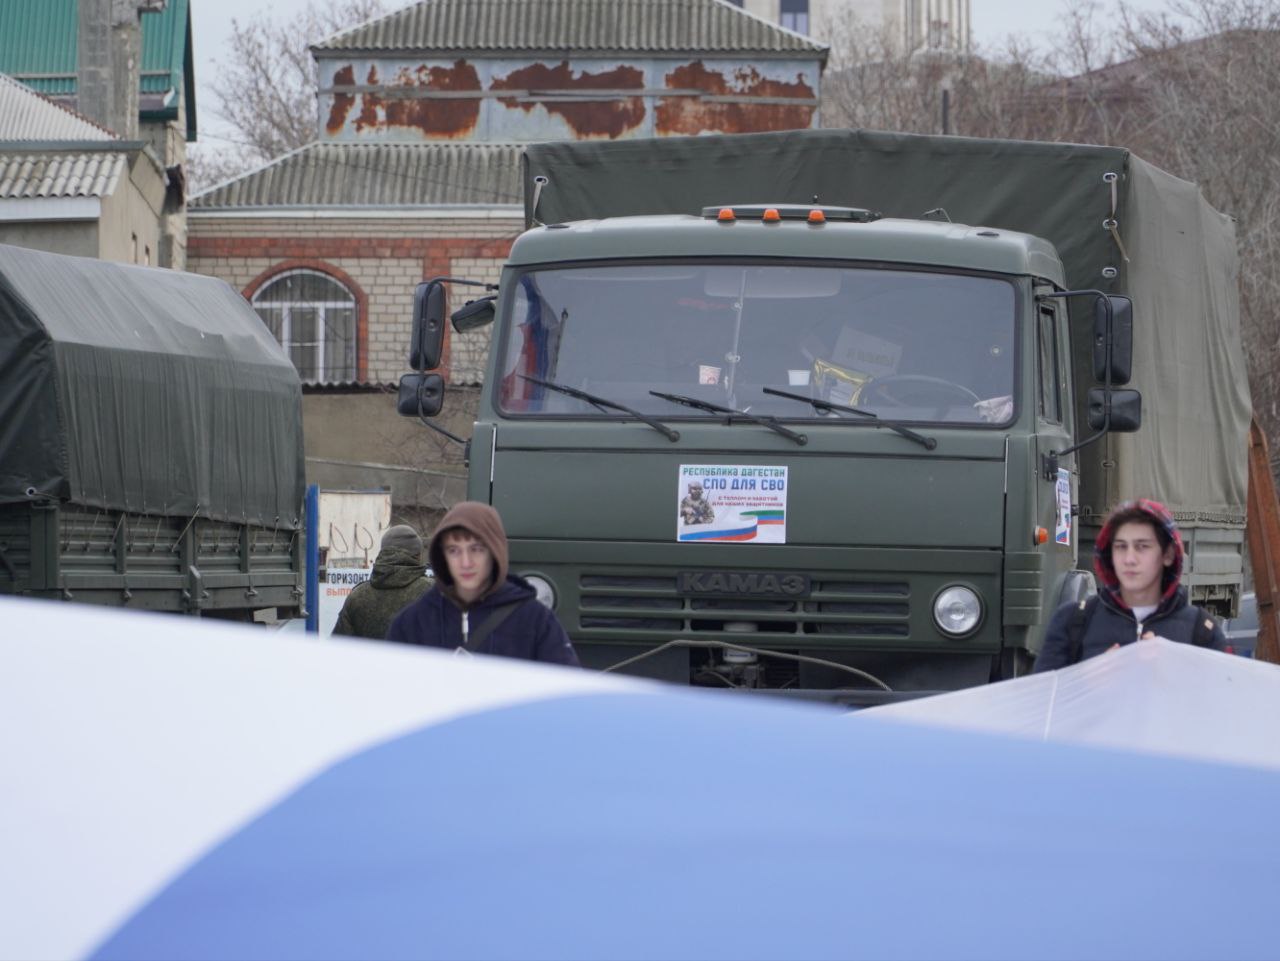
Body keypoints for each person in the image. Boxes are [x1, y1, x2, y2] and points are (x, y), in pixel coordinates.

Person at [1034, 498, 1227, 671]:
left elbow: (1224, 703)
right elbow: (1040, 702)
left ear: (1168, 554)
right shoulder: (1073, 622)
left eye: (1142, 547)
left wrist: (1172, 673)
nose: (1129, 559)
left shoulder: (1201, 631)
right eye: (1120, 546)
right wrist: (1089, 681)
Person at [385, 502, 580, 665]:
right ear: (442, 555)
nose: (466, 562)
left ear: (494, 551)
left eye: (476, 549)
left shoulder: (535, 622)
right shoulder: (412, 624)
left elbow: (565, 698)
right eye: (454, 550)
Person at [332, 525, 432, 641]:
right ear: (417, 556)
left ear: (383, 552)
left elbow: (339, 648)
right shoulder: (432, 593)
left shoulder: (357, 596)